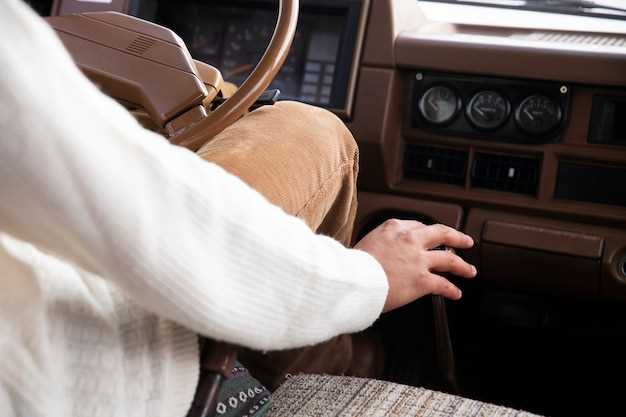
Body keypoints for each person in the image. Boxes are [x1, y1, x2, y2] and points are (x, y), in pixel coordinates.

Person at [0, 1, 477, 417]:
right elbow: (172, 229)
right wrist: (370, 277)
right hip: (86, 370)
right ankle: (335, 373)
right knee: (309, 128)